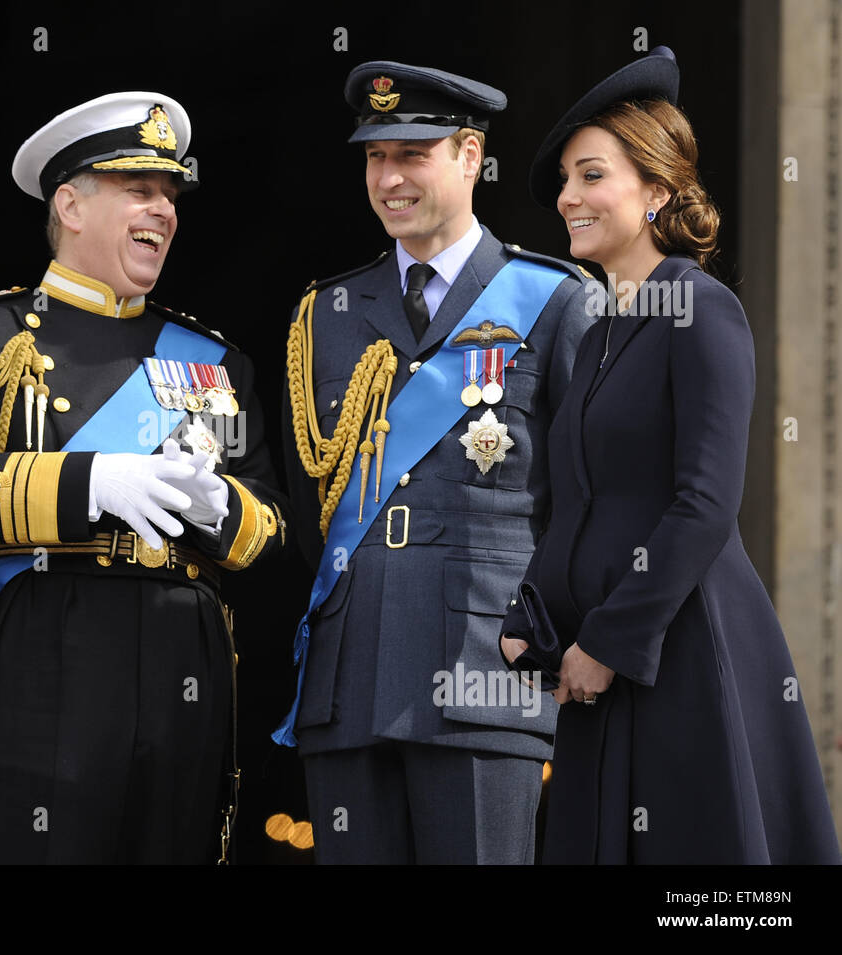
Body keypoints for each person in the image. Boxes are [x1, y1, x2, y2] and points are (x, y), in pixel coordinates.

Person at [0, 91, 286, 864]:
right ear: (70, 205)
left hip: (183, 651)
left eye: (171, 195)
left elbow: (273, 526)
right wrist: (91, 484)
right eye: (140, 190)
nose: (164, 210)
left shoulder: (216, 362)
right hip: (49, 642)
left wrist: (222, 508)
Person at [502, 46, 840, 863]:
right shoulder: (604, 333)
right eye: (565, 182)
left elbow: (705, 501)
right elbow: (577, 501)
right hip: (599, 675)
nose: (567, 198)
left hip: (682, 654)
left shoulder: (703, 308)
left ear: (656, 190)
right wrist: (532, 617)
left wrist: (609, 643)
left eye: (591, 177)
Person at [276, 61, 595, 864]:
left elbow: (586, 501)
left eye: (411, 154)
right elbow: (309, 501)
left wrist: (551, 643)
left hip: (487, 676)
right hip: (349, 684)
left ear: (467, 155)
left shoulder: (555, 301)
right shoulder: (327, 313)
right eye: (375, 157)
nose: (388, 177)